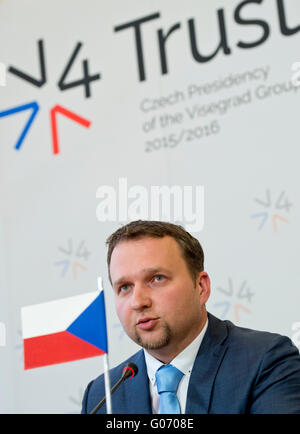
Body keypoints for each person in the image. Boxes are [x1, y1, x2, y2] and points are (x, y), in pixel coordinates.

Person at [81, 220, 300, 414]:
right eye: (125, 287)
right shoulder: (102, 394)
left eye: (157, 278)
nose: (138, 302)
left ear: (201, 287)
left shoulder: (266, 361)